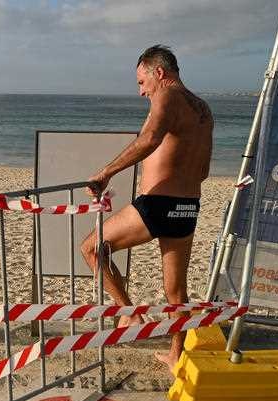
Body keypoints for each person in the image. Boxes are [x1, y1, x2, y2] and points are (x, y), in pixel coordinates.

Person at [81, 44, 213, 374]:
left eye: (142, 83)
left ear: (159, 72)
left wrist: (106, 172)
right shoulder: (204, 109)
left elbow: (150, 139)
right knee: (176, 291)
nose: (142, 92)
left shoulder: (167, 96)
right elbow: (204, 170)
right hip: (188, 206)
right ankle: (175, 356)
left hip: (158, 204)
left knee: (92, 248)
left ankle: (128, 311)